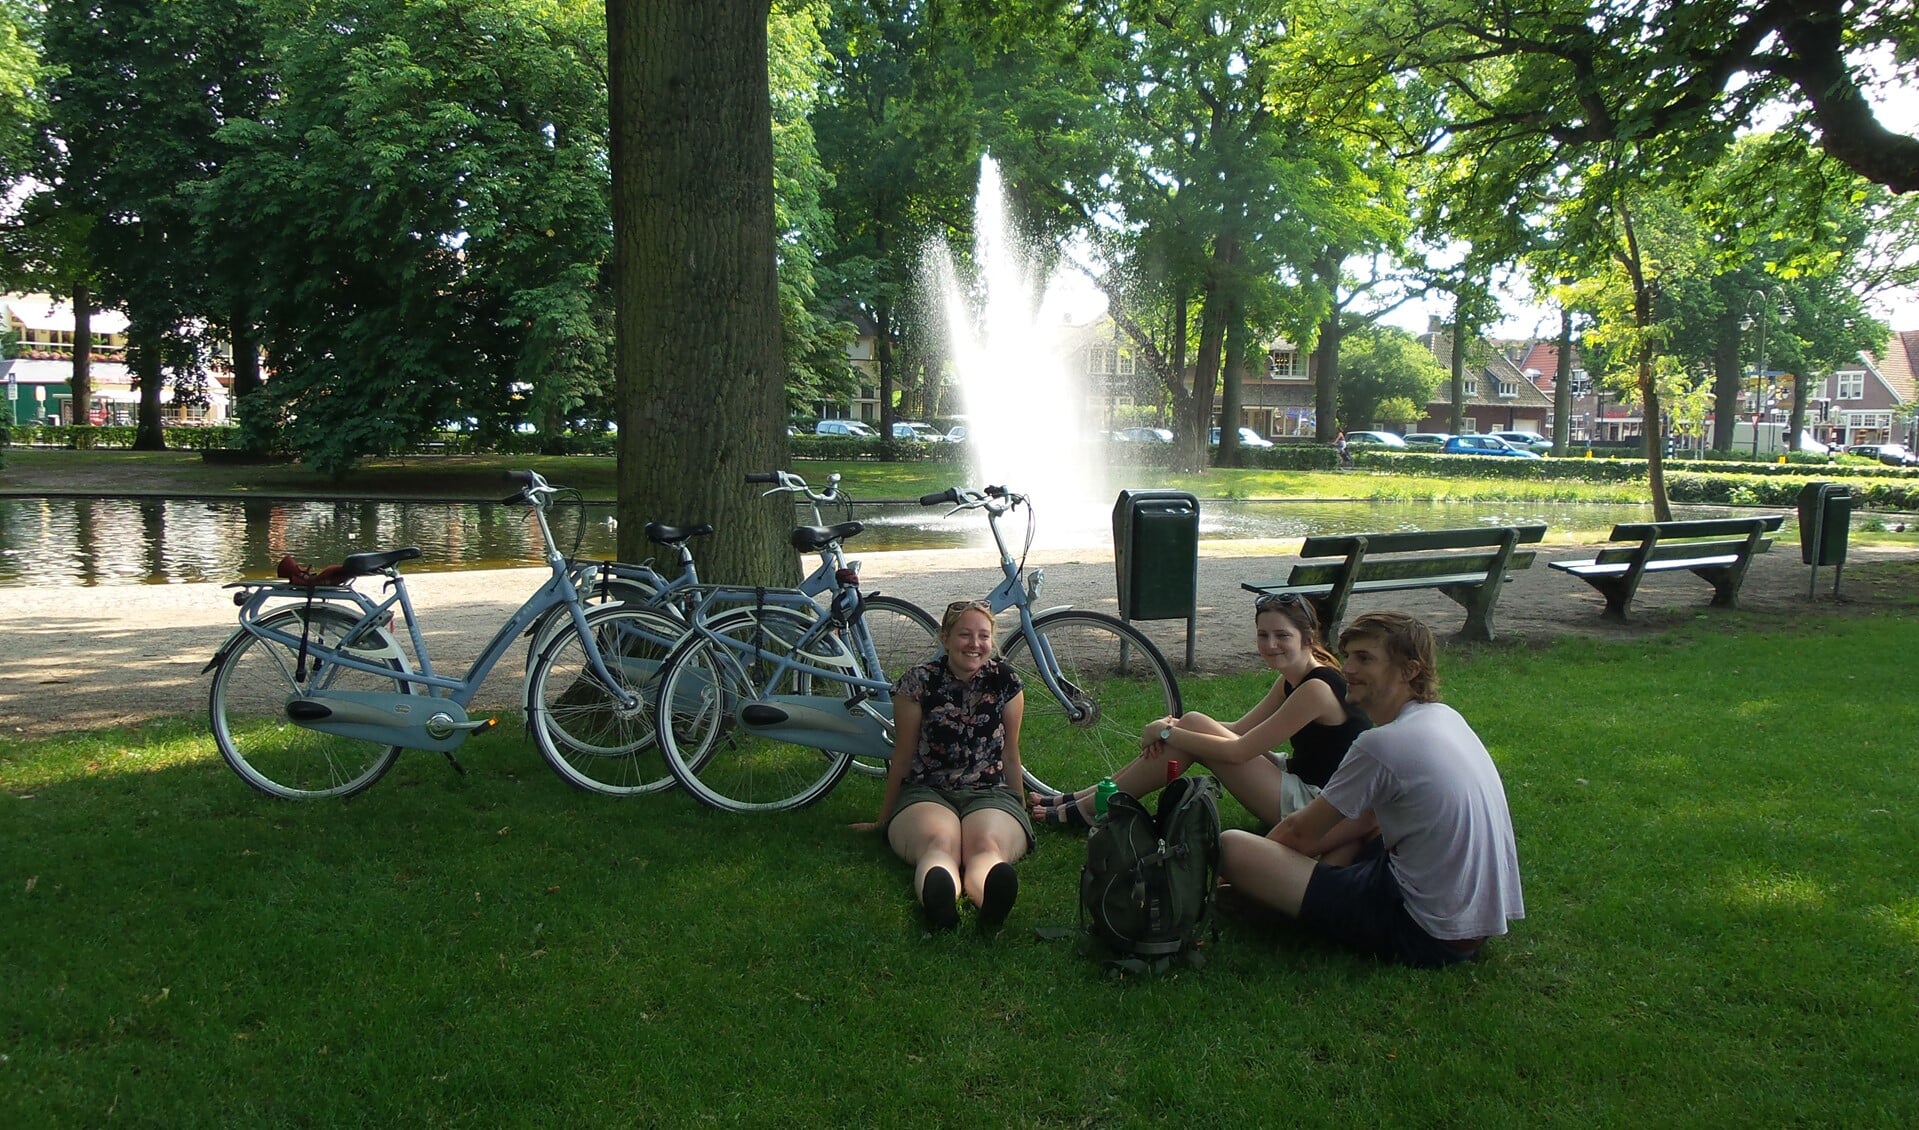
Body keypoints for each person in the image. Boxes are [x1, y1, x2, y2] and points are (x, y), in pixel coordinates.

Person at [1218, 611, 1524, 967]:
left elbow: (1298, 833)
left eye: (1365, 659)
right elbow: (1363, 822)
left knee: (1233, 846)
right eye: (1348, 656)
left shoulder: (1382, 744)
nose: (1347, 669)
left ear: (1409, 671)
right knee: (1358, 829)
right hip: (1469, 921)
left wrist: (1238, 876)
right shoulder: (1445, 717)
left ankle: (1269, 901)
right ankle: (1302, 891)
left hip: (1424, 930)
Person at [1033, 593, 1369, 850]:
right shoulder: (1293, 678)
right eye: (1263, 634)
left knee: (1185, 730)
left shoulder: (1318, 689)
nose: (1270, 645)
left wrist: (1167, 731)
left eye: (1282, 636)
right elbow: (1239, 729)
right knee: (1192, 721)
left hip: (1314, 805)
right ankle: (1082, 800)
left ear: (1307, 638)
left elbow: (1238, 751)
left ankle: (1089, 806)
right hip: (1299, 777)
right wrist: (1176, 726)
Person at [852, 599, 1033, 932]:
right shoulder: (918, 682)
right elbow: (903, 755)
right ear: (945, 638)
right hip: (927, 791)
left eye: (983, 636)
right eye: (965, 634)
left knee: (987, 847)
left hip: (988, 792)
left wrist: (1018, 806)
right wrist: (884, 819)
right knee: (938, 844)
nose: (975, 644)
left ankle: (990, 903)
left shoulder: (1006, 682)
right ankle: (941, 904)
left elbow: (1010, 753)